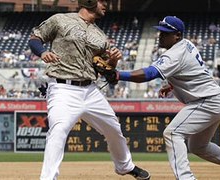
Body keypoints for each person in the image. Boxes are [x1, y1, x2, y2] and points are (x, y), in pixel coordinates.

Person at [113, 16, 220, 180]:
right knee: (198, 146)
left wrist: (118, 75)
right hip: (215, 100)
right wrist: (173, 84)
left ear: (177, 35)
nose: (161, 36)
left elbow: (149, 74)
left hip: (207, 101)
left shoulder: (175, 53)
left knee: (173, 133)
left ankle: (186, 178)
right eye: (160, 32)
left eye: (166, 33)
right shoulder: (187, 44)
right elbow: (191, 71)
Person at [28, 0, 150, 179]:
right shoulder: (61, 19)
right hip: (63, 88)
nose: (105, 5)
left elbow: (108, 74)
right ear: (90, 2)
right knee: (58, 131)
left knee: (113, 129)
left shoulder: (100, 36)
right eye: (102, 1)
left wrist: (113, 61)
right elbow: (34, 39)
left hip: (90, 90)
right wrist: (42, 52)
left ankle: (125, 166)